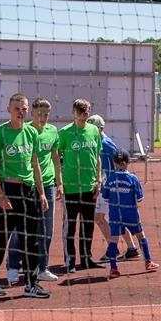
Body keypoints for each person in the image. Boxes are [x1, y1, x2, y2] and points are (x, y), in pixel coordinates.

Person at [0, 93, 50, 298]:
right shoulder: (0, 133)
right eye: (17, 108)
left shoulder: (32, 133)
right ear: (9, 109)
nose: (21, 112)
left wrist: (42, 193)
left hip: (29, 192)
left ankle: (31, 283)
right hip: (7, 190)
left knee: (32, 239)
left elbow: (35, 164)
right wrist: (0, 195)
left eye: (24, 108)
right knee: (1, 238)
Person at [7, 98, 60, 284]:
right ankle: (13, 266)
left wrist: (58, 182)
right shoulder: (25, 131)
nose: (43, 117)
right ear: (32, 113)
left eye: (46, 114)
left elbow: (55, 157)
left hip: (48, 186)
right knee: (19, 228)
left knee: (46, 229)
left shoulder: (53, 131)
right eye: (40, 114)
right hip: (28, 186)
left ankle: (42, 267)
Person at [99, 149, 160, 277]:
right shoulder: (133, 178)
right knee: (140, 236)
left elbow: (105, 197)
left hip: (115, 214)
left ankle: (113, 268)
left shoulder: (110, 178)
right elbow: (140, 198)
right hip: (131, 213)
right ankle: (148, 262)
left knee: (113, 240)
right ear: (127, 163)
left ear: (114, 163)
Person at [88, 114, 140, 261]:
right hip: (107, 184)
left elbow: (119, 160)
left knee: (101, 217)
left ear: (100, 128)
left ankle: (116, 249)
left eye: (93, 127)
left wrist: (115, 181)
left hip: (109, 186)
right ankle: (130, 248)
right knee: (113, 218)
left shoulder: (105, 143)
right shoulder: (98, 141)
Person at [59, 99, 102, 272]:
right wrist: (59, 182)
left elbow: (97, 156)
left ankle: (86, 258)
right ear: (73, 112)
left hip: (89, 187)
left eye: (87, 111)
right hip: (70, 188)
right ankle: (70, 260)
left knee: (88, 225)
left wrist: (99, 180)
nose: (84, 114)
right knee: (70, 226)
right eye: (81, 111)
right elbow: (57, 158)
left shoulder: (93, 131)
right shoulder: (65, 133)